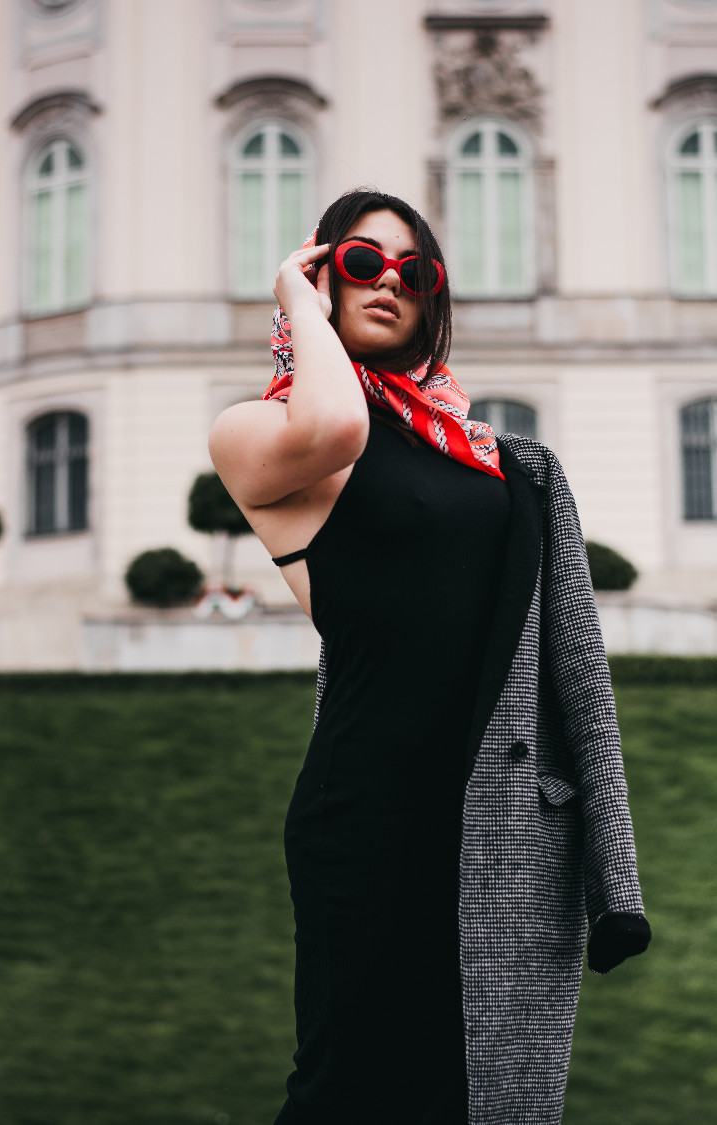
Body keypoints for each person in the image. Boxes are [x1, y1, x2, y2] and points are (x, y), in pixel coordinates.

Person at [208, 189, 651, 1125]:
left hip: (503, 826)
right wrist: (294, 300)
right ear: (323, 275)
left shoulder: (508, 463)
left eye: (415, 271)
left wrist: (614, 874)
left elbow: (579, 672)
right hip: (366, 812)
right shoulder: (258, 433)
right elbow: (337, 426)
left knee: (474, 1099)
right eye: (361, 262)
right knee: (349, 1093)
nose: (390, 283)